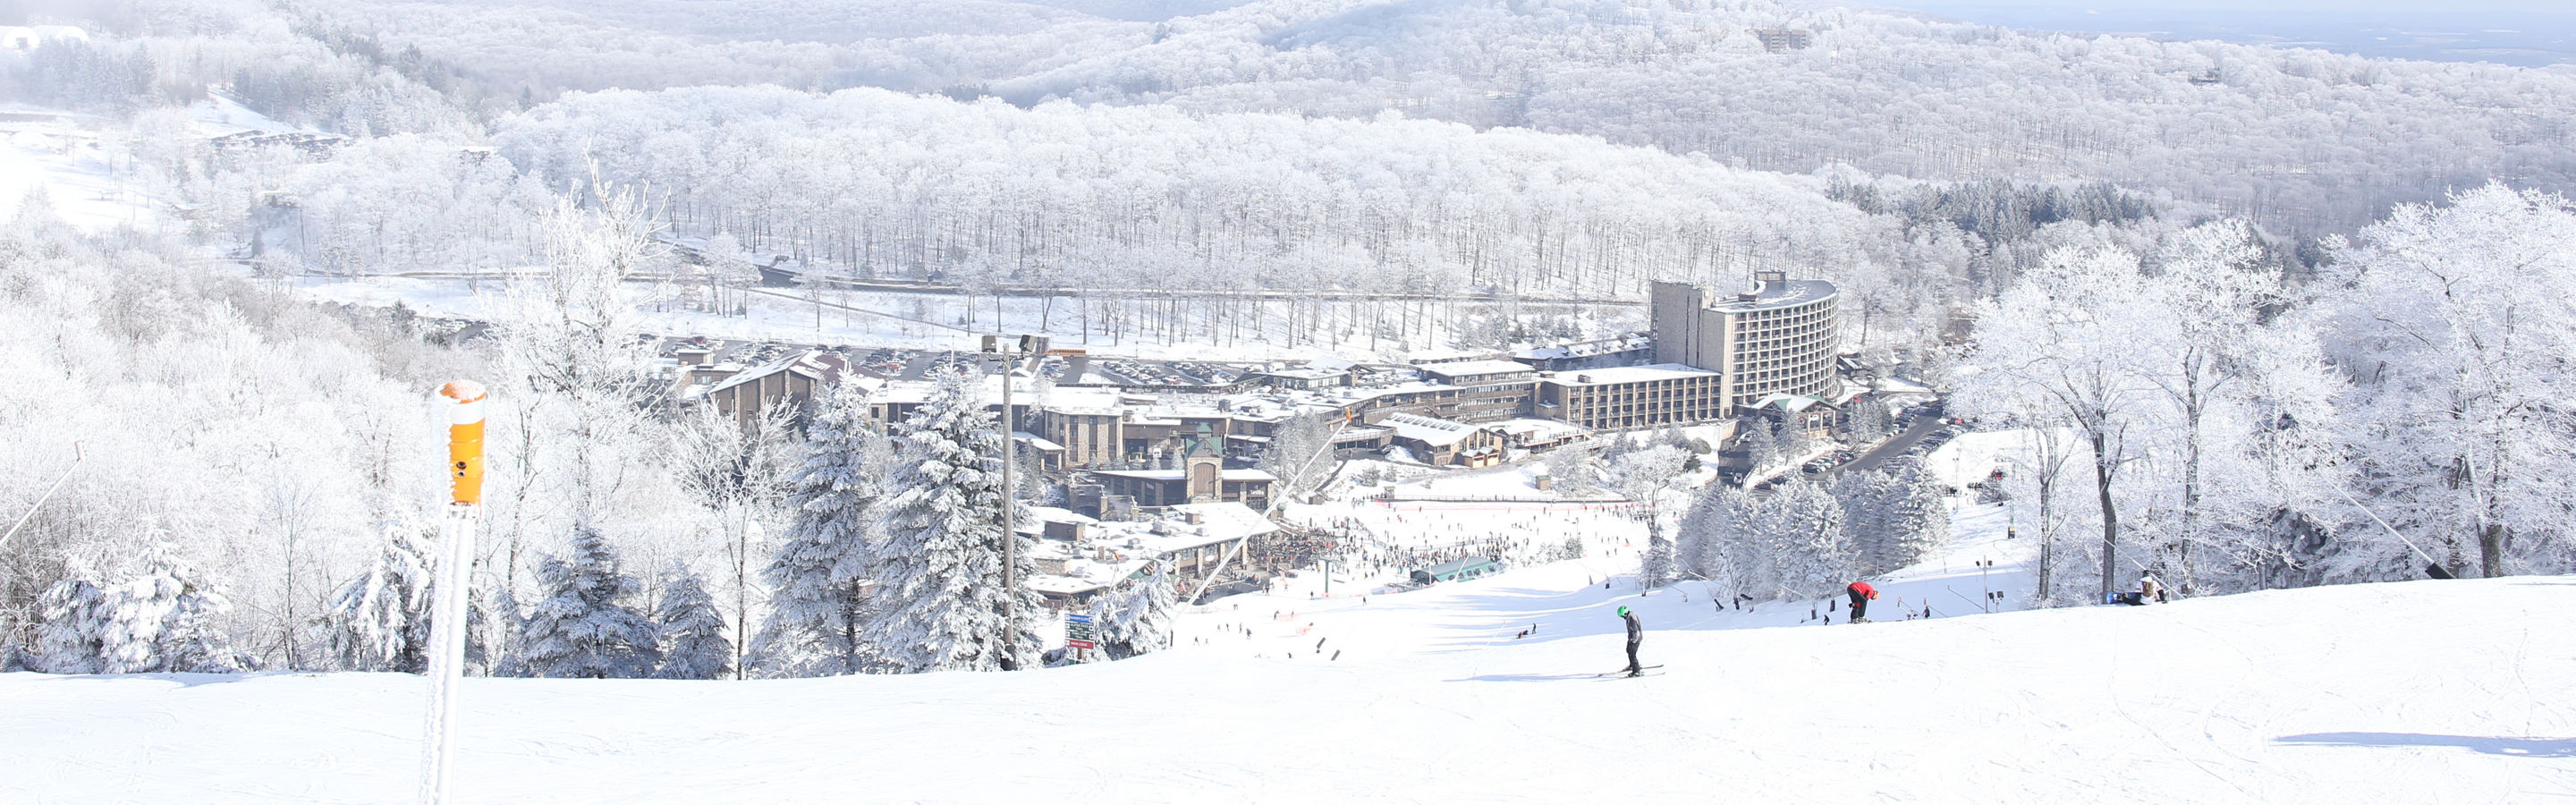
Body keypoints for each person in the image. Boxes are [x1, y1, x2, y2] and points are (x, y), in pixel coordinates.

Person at [1618, 606, 1644, 676]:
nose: (1623, 618)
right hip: (1632, 638)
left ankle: (1636, 670)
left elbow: (1636, 632)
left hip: (1636, 639)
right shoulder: (1630, 616)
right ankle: (1632, 665)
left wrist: (1633, 641)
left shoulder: (1632, 620)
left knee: (1632, 654)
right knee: (1628, 650)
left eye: (1622, 616)